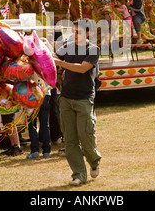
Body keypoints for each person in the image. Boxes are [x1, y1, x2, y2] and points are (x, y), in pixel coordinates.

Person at [53, 19, 101, 186]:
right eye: (73, 31)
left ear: (88, 33)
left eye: (78, 32)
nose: (74, 35)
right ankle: (78, 174)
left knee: (86, 135)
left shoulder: (93, 49)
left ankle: (94, 161)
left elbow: (82, 68)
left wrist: (60, 64)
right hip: (66, 98)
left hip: (84, 98)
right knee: (70, 140)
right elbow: (54, 56)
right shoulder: (67, 46)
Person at [27, 91, 51, 159]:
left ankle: (35, 151)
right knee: (45, 124)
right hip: (45, 93)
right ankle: (47, 151)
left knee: (32, 124)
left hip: (31, 94)